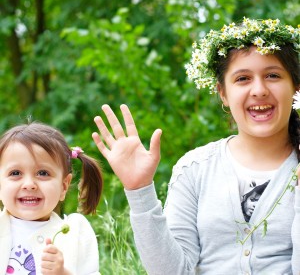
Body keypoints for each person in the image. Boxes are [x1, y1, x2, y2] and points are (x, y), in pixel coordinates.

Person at [92, 18, 300, 274]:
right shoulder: (194, 168)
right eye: (243, 78)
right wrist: (140, 191)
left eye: (272, 75)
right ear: (222, 92)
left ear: (295, 88)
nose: (259, 89)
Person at [0, 122, 103, 274]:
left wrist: (62, 273)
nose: (29, 184)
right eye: (15, 173)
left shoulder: (74, 234)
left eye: (43, 173)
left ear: (64, 186)